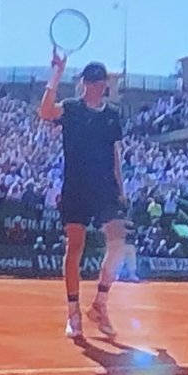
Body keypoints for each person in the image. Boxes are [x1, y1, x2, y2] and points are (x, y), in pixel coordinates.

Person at [38, 52, 127, 339]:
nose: (103, 85)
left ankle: (100, 303)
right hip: (76, 186)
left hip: (105, 188)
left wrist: (120, 188)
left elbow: (115, 153)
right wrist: (56, 73)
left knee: (117, 243)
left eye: (104, 81)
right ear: (87, 84)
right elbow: (45, 112)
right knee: (75, 247)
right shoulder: (72, 109)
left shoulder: (112, 115)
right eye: (98, 81)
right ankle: (73, 313)